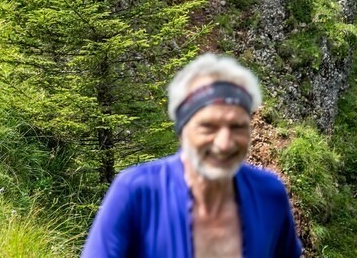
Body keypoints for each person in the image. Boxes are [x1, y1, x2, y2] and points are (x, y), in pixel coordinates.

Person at [82, 53, 302, 258]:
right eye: (208, 126)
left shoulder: (269, 194)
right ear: (182, 130)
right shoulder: (137, 192)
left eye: (237, 127)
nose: (224, 144)